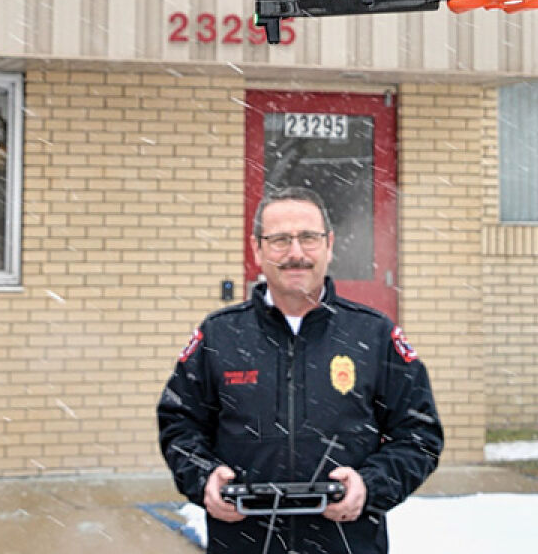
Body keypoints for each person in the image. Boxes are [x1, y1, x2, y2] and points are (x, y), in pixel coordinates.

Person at [157, 186, 443, 554]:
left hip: (347, 543)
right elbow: (180, 424)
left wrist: (370, 485)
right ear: (257, 248)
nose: (296, 253)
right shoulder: (219, 335)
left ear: (329, 244)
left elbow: (419, 435)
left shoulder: (375, 334)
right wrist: (204, 477)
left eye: (308, 238)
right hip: (244, 542)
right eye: (279, 240)